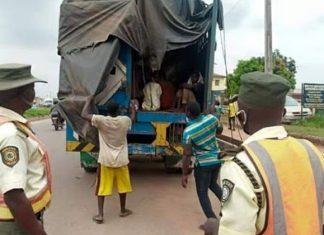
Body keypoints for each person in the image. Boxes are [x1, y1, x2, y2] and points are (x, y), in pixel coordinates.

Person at [213, 71, 324, 235]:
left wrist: (215, 230)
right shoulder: (312, 152)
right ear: (283, 113)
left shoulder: (241, 165)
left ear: (242, 116)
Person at [0, 63, 52, 235]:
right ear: (20, 93)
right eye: (31, 88)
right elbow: (14, 196)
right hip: (14, 224)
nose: (33, 92)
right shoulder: (11, 134)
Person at [81, 97, 136, 224]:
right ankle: (123, 210)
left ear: (108, 111)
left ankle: (100, 214)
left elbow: (83, 114)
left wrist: (88, 101)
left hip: (106, 161)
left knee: (102, 187)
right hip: (121, 161)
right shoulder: (124, 120)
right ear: (118, 110)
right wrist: (133, 108)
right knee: (123, 187)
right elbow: (133, 118)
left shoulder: (101, 120)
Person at [181, 102, 223, 224]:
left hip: (203, 164)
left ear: (188, 113)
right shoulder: (212, 119)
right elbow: (219, 131)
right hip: (217, 159)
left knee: (202, 193)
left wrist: (184, 174)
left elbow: (187, 154)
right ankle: (228, 208)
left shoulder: (188, 132)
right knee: (212, 184)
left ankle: (213, 222)